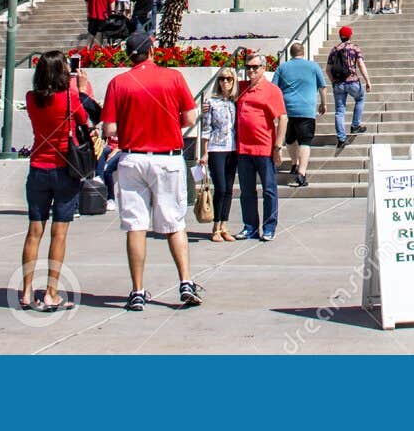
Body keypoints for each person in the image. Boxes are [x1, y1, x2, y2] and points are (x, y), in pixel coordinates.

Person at [102, 30, 203, 311]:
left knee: (135, 225)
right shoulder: (172, 77)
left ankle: (137, 289)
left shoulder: (118, 83)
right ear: (152, 50)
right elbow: (190, 117)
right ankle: (185, 281)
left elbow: (109, 128)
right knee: (174, 223)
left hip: (132, 157)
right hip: (167, 157)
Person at [21, 51, 96, 310]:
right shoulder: (69, 97)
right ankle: (51, 291)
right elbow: (85, 121)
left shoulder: (31, 98)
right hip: (64, 167)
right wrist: (81, 87)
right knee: (59, 233)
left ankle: (26, 291)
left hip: (38, 166)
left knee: (34, 231)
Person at [233, 54, 286, 241]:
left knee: (269, 189)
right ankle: (250, 227)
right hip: (243, 149)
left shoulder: (272, 90)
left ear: (263, 68)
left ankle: (269, 226)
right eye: (248, 67)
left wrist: (278, 147)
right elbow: (221, 89)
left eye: (255, 67)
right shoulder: (241, 88)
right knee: (247, 191)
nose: (251, 71)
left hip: (264, 148)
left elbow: (282, 118)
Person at [272, 40, 327, 187]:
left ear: (290, 54)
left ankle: (294, 164)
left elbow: (274, 88)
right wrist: (323, 103)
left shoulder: (282, 67)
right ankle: (301, 173)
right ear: (303, 52)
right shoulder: (313, 66)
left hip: (287, 110)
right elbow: (322, 87)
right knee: (305, 141)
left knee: (290, 139)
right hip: (307, 110)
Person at [198, 67, 239, 242]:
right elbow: (206, 128)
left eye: (229, 79)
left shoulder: (234, 102)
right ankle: (215, 225)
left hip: (232, 147)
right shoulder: (210, 102)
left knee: (229, 189)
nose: (225, 82)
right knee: (220, 188)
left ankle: (224, 225)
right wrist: (204, 151)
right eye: (222, 79)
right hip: (216, 148)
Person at [326, 25, 371, 151]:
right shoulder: (354, 48)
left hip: (338, 84)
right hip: (352, 82)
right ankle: (355, 125)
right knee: (360, 98)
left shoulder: (334, 50)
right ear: (350, 35)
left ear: (340, 36)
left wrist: (333, 82)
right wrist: (367, 81)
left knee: (339, 111)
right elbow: (361, 65)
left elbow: (328, 69)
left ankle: (341, 138)